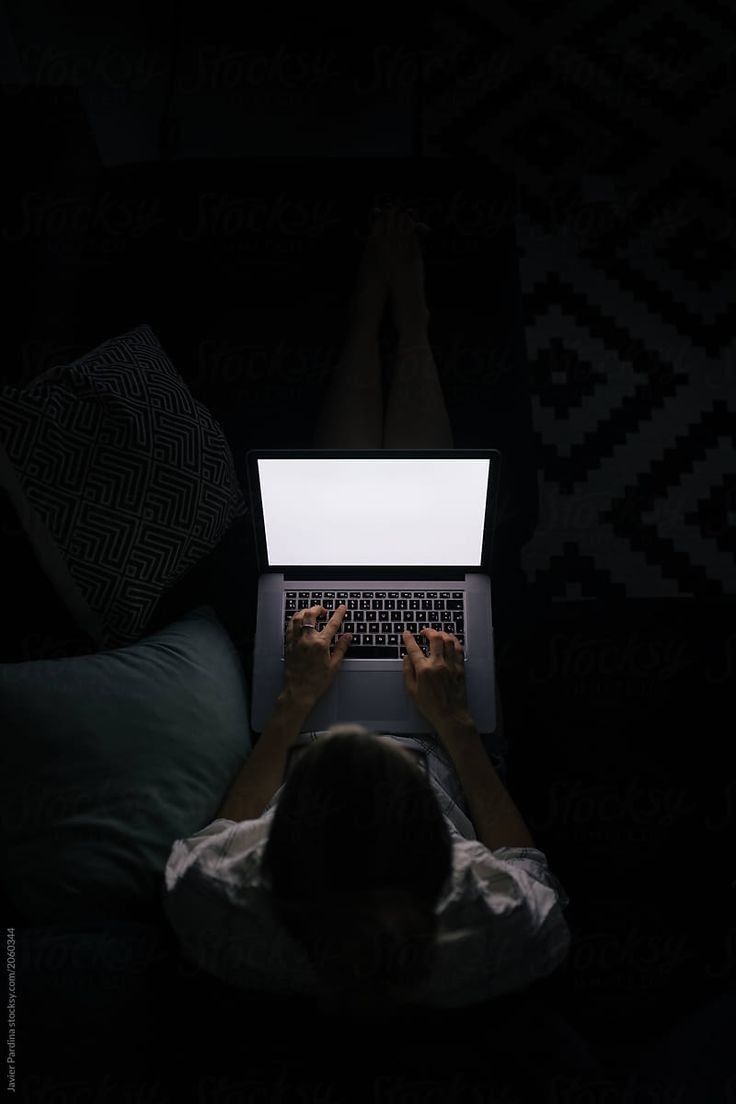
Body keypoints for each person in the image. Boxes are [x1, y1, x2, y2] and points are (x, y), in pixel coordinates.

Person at [162, 205, 571, 1020]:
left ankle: (363, 323)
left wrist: (293, 706)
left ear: (275, 858)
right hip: (442, 737)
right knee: (425, 553)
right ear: (444, 861)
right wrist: (454, 725)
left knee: (324, 554)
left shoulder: (217, 908)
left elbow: (205, 844)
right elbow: (526, 857)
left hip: (301, 719)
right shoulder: (507, 927)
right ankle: (410, 326)